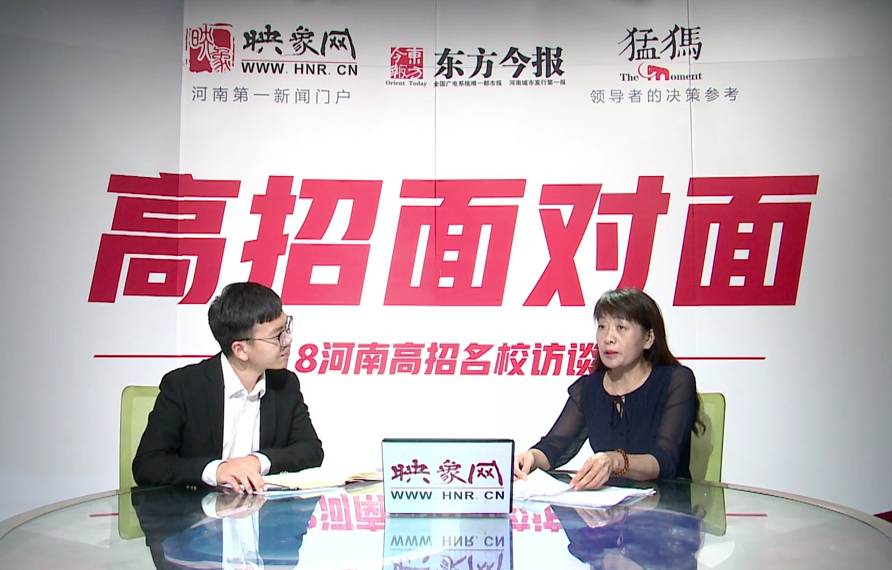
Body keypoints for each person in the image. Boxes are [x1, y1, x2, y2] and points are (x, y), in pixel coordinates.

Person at [133, 282, 324, 493]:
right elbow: (148, 464)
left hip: (264, 509)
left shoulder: (285, 385)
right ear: (240, 349)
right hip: (198, 509)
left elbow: (311, 451)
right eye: (277, 336)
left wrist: (257, 461)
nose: (288, 340)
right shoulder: (184, 386)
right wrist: (217, 471)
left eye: (286, 328)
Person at [513, 288, 701, 490]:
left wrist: (616, 460)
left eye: (621, 327)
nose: (608, 338)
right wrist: (531, 457)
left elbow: (664, 459)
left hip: (668, 502)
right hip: (610, 504)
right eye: (602, 326)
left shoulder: (676, 381)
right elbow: (555, 446)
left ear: (648, 339)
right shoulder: (589, 389)